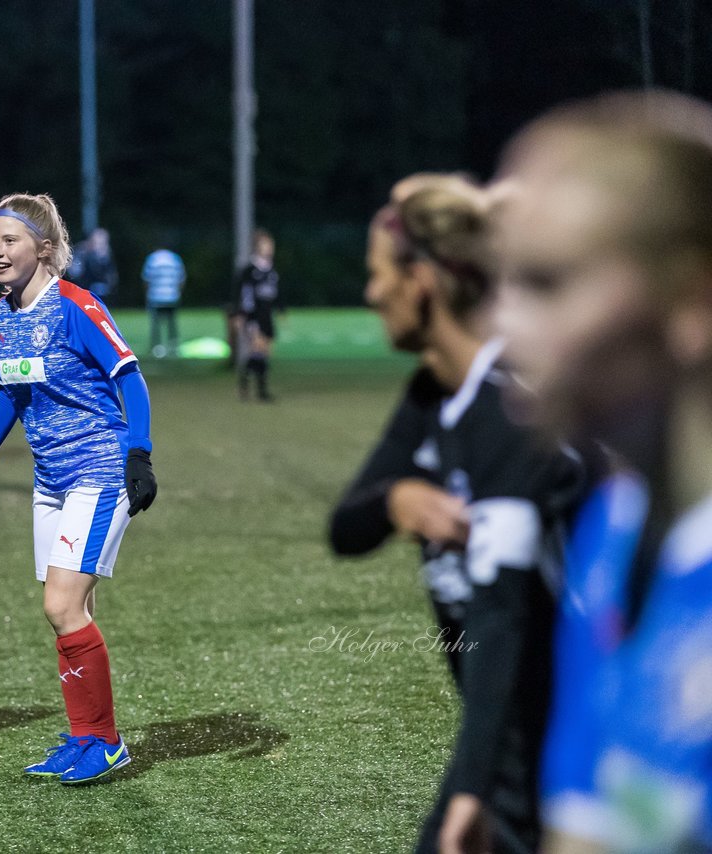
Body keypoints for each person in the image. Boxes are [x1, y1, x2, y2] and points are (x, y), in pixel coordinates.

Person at [333, 176, 584, 854]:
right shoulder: (433, 396)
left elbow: (502, 617)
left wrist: (472, 791)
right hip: (507, 740)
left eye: (378, 273)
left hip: (563, 744)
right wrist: (395, 499)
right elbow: (344, 529)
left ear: (421, 281)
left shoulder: (509, 412)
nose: (370, 292)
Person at [493, 90, 712, 853]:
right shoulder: (614, 527)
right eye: (502, 280)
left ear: (692, 298)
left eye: (547, 283)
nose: (502, 326)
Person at [0, 193, 157, 785]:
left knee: (61, 605)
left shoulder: (76, 306)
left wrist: (139, 455)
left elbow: (132, 378)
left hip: (99, 471)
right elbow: (12, 392)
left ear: (43, 249)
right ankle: (85, 737)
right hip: (50, 482)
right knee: (72, 610)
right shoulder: (2, 314)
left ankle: (108, 741)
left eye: (9, 240)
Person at [231, 228, 281, 401]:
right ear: (257, 247)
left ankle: (252, 385)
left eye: (271, 244)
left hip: (267, 316)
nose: (270, 248)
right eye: (266, 245)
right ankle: (256, 389)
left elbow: (274, 294)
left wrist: (281, 309)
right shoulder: (250, 270)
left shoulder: (271, 270)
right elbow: (240, 293)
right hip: (253, 316)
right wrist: (239, 314)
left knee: (264, 353)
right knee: (257, 350)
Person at [142, 246, 186, 357]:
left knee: (156, 323)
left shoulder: (152, 259)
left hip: (156, 295)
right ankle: (173, 346)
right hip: (172, 295)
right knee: (172, 323)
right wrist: (178, 292)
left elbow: (146, 279)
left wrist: (147, 294)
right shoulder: (175, 258)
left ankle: (157, 347)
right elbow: (181, 278)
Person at [70, 227, 118, 303]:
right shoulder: (82, 252)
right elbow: (74, 271)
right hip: (84, 286)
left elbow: (110, 275)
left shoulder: (105, 255)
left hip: (99, 287)